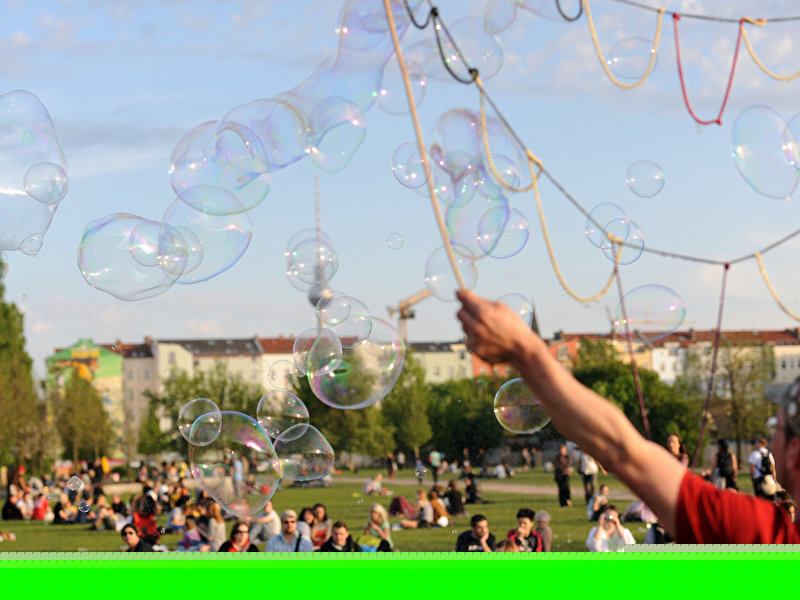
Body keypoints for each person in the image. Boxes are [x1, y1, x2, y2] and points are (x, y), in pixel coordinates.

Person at [457, 289, 800, 543]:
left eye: (778, 427)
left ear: (795, 454)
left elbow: (621, 448)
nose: (770, 441)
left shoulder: (766, 540)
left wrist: (524, 349)